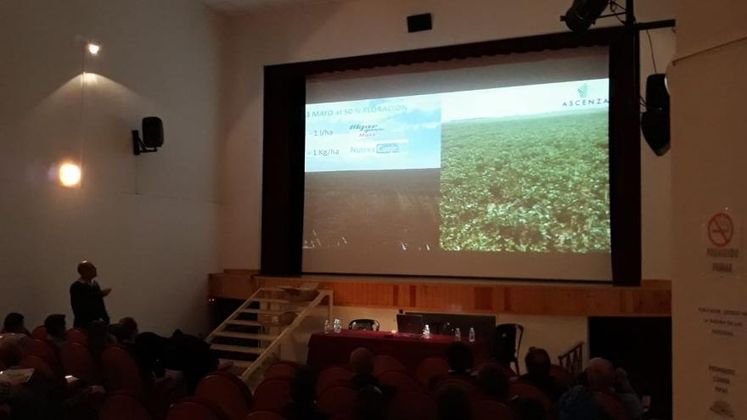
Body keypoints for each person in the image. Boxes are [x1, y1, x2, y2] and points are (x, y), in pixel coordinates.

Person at [69, 260, 111, 328]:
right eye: (92, 268)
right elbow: (82, 303)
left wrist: (106, 318)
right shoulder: (76, 286)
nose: (95, 269)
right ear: (84, 271)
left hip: (97, 323)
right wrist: (100, 294)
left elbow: (100, 304)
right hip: (84, 324)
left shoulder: (95, 285)